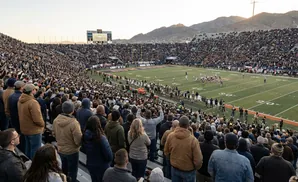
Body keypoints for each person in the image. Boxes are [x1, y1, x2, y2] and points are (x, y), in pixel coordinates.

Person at [164, 116, 203, 182]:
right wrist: (195, 168)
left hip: (175, 168)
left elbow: (166, 152)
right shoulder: (193, 140)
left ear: (179, 124)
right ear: (188, 126)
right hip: (188, 171)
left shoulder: (171, 136)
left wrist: (172, 161)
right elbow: (198, 161)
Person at [53, 101, 82, 182]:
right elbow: (78, 140)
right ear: (72, 110)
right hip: (72, 151)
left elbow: (54, 133)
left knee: (63, 170)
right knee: (72, 172)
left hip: (61, 149)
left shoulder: (56, 120)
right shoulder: (74, 123)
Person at [82, 116, 113, 182]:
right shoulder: (101, 139)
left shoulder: (84, 135)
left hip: (91, 164)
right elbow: (109, 156)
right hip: (101, 166)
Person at [18, 84, 44, 159]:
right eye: (35, 89)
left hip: (25, 128)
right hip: (34, 130)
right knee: (35, 150)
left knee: (28, 148)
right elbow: (37, 119)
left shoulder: (20, 99)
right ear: (32, 91)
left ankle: (27, 163)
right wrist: (42, 124)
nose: (36, 90)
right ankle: (32, 166)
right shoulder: (33, 102)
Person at [8, 81, 26, 152]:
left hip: (13, 119)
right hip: (19, 120)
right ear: (21, 87)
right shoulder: (20, 97)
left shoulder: (11, 96)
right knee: (21, 139)